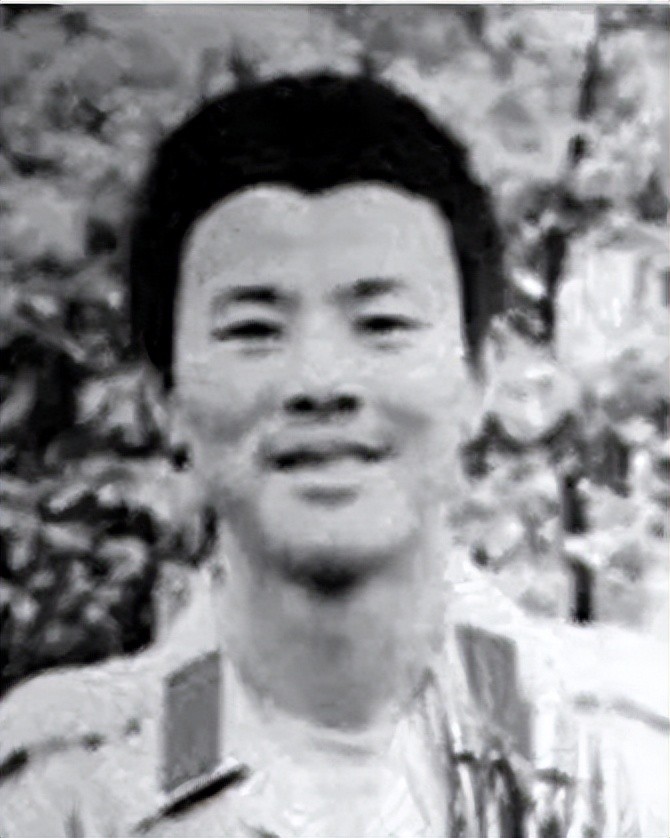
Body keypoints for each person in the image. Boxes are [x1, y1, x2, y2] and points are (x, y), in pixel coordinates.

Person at [0, 74, 644, 838]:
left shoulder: (628, 759)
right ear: (163, 397)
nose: (320, 382)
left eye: (382, 323)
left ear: (481, 376)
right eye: (253, 330)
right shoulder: (61, 791)